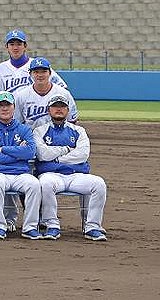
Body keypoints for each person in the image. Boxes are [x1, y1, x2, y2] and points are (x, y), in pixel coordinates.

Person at [32, 96, 108, 241]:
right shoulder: (40, 131)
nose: (58, 109)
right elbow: (42, 154)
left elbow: (83, 154)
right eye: (55, 106)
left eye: (62, 106)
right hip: (51, 174)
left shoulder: (79, 130)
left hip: (77, 174)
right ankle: (52, 225)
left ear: (68, 110)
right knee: (45, 184)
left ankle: (92, 226)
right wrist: (67, 149)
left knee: (99, 184)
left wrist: (57, 158)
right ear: (49, 110)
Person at [0, 91, 43, 240]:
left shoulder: (24, 129)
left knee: (34, 184)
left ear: (14, 107)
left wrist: (3, 149)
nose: (4, 108)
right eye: (0, 105)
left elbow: (30, 152)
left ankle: (30, 227)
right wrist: (17, 154)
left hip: (20, 173)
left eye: (7, 105)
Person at [0, 29, 68, 93]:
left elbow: (62, 87)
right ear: (6, 47)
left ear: (25, 46)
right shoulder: (0, 69)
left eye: (19, 44)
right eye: (12, 44)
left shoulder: (37, 65)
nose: (15, 48)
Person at [13, 57, 78, 127]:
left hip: (58, 136)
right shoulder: (22, 95)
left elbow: (72, 120)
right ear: (30, 74)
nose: (40, 75)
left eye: (44, 71)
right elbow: (17, 122)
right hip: (31, 136)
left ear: (50, 73)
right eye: (36, 72)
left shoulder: (63, 93)